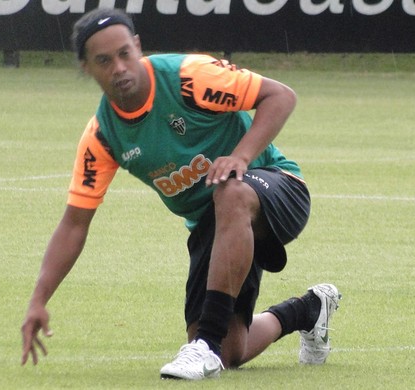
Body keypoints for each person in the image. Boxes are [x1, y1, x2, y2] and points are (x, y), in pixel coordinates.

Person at [20, 8, 341, 380]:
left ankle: (202, 345)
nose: (120, 68)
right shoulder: (103, 137)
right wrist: (39, 299)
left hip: (277, 187)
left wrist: (240, 156)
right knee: (232, 350)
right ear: (86, 67)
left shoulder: (191, 76)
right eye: (104, 61)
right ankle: (307, 310)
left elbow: (280, 96)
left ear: (138, 46)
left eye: (125, 53)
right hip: (216, 224)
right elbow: (74, 225)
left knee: (230, 191)